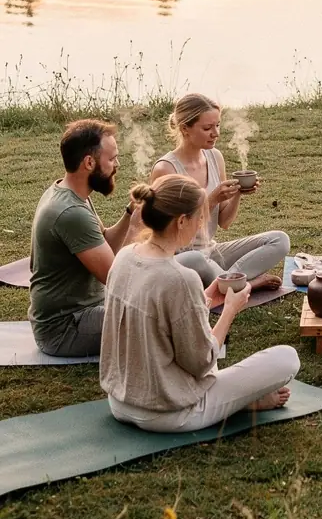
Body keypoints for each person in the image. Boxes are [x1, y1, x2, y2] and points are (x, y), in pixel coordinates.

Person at [101, 175, 300, 432]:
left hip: (119, 402)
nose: (201, 225)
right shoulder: (180, 278)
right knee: (287, 358)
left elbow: (157, 322)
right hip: (170, 412)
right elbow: (202, 361)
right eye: (199, 218)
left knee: (203, 339)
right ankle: (240, 402)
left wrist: (204, 300)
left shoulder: (124, 256)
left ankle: (237, 400)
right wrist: (230, 310)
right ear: (182, 221)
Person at [151, 94, 289, 289]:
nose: (215, 133)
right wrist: (211, 200)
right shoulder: (166, 169)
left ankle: (229, 281)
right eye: (207, 128)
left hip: (212, 252)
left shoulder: (215, 157)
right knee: (196, 258)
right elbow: (168, 231)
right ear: (185, 129)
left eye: (217, 125)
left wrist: (237, 194)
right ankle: (247, 284)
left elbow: (224, 222)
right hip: (182, 258)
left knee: (280, 240)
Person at [29, 119, 138, 357]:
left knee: (156, 309)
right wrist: (138, 228)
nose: (117, 164)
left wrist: (130, 214)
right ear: (89, 162)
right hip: (64, 329)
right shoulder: (71, 213)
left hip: (87, 311)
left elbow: (105, 243)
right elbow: (116, 277)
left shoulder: (69, 192)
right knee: (152, 318)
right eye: (112, 159)